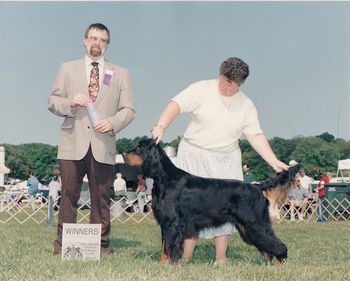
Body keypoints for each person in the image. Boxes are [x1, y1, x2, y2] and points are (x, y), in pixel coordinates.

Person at [152, 57, 288, 265]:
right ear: (220, 73)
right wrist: (161, 126)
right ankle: (185, 256)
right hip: (194, 154)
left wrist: (274, 161)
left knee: (226, 211)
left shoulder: (246, 105)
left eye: (232, 84)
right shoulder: (201, 89)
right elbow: (176, 104)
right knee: (188, 211)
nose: (226, 86)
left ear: (240, 84)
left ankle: (221, 258)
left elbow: (255, 135)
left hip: (225, 157)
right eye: (224, 80)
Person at [48, 23, 135, 256]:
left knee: (101, 198)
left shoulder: (121, 73)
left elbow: (128, 110)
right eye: (93, 38)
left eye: (102, 40)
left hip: (103, 144)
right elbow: (52, 101)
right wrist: (70, 103)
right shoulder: (67, 68)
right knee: (68, 196)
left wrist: (113, 122)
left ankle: (101, 247)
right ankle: (63, 246)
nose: (97, 43)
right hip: (71, 143)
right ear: (84, 40)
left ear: (107, 45)